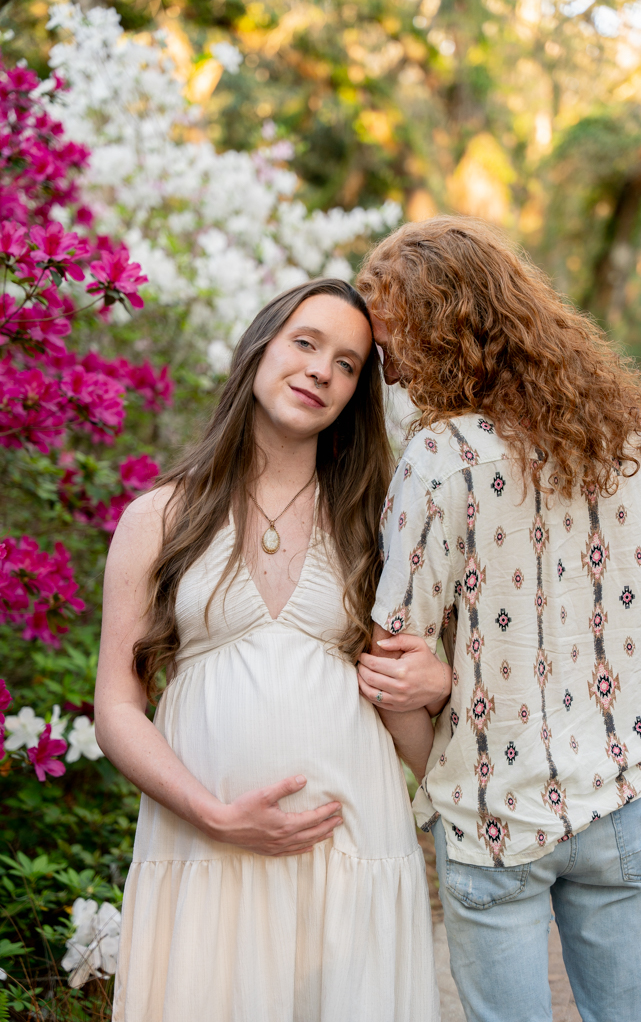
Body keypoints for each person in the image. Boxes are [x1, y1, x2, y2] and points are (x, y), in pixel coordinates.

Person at [354, 216, 641, 1022]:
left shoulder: (440, 461)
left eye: (393, 344)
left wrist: (443, 771)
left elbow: (391, 667)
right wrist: (632, 739)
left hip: (486, 818)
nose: (388, 373)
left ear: (444, 333)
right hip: (617, 804)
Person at [95, 278, 440, 1022]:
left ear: (356, 394)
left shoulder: (378, 527)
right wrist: (212, 813)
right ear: (260, 348)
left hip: (353, 861)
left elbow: (419, 718)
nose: (322, 370)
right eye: (306, 343)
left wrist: (436, 683)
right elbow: (116, 710)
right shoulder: (158, 518)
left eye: (348, 364)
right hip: (205, 855)